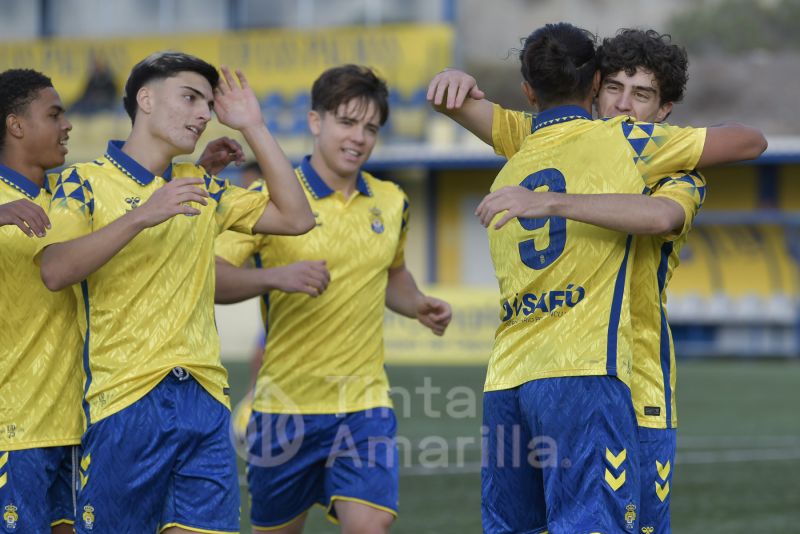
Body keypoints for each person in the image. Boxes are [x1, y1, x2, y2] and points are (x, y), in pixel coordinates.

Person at [429, 23, 766, 533]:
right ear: (593, 87)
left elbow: (664, 214)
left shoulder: (668, 166)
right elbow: (467, 106)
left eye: (642, 95)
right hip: (557, 377)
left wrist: (550, 201)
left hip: (638, 390)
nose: (624, 105)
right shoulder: (544, 136)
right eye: (615, 88)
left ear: (664, 111)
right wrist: (451, 79)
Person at [34, 51, 315, 533]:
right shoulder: (82, 182)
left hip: (205, 400)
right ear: (145, 99)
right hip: (122, 402)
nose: (203, 114)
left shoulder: (202, 187)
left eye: (208, 104)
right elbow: (55, 269)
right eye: (189, 98)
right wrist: (144, 212)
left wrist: (253, 127)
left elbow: (297, 217)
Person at [214, 64, 453, 533]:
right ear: (315, 121)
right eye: (347, 122)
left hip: (364, 405)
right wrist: (277, 277)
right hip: (284, 409)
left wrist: (418, 303)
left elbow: (393, 275)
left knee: (371, 526)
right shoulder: (268, 199)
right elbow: (213, 281)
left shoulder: (392, 201)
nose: (359, 138)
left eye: (370, 128)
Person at [0, 68, 82, 534]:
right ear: (16, 125)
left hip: (76, 426)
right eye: (54, 115)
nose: (66, 125)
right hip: (15, 428)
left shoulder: (68, 201)